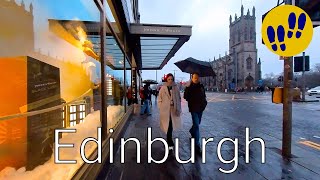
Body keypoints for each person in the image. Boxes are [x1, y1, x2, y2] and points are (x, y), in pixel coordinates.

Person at [184, 73, 207, 154]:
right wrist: (187, 87)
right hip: (193, 108)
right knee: (197, 125)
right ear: (192, 78)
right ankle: (197, 145)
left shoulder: (201, 86)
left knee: (197, 124)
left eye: (197, 78)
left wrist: (204, 104)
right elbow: (185, 97)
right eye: (194, 78)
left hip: (200, 109)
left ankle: (191, 131)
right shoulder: (189, 87)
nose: (196, 79)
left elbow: (204, 96)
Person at [158, 73, 182, 150]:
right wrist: (161, 107)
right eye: (169, 79)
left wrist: (177, 105)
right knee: (167, 125)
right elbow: (159, 99)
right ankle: (169, 140)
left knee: (171, 125)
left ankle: (169, 140)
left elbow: (179, 98)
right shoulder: (163, 88)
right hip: (165, 110)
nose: (170, 81)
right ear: (166, 80)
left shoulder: (176, 88)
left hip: (173, 109)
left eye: (171, 79)